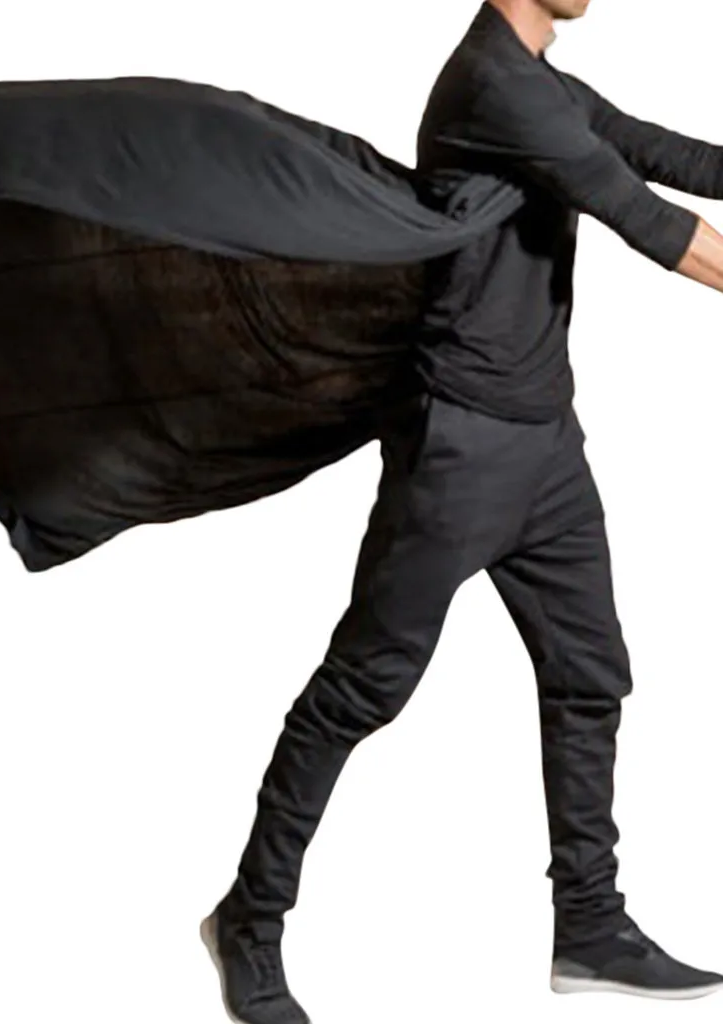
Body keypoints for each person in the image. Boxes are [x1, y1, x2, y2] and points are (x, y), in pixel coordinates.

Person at [200, 1, 723, 1020]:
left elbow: (658, 152)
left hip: (545, 441)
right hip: (460, 447)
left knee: (590, 673)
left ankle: (589, 925)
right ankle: (248, 919)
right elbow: (649, 221)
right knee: (363, 688)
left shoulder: (541, 84)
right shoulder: (494, 88)